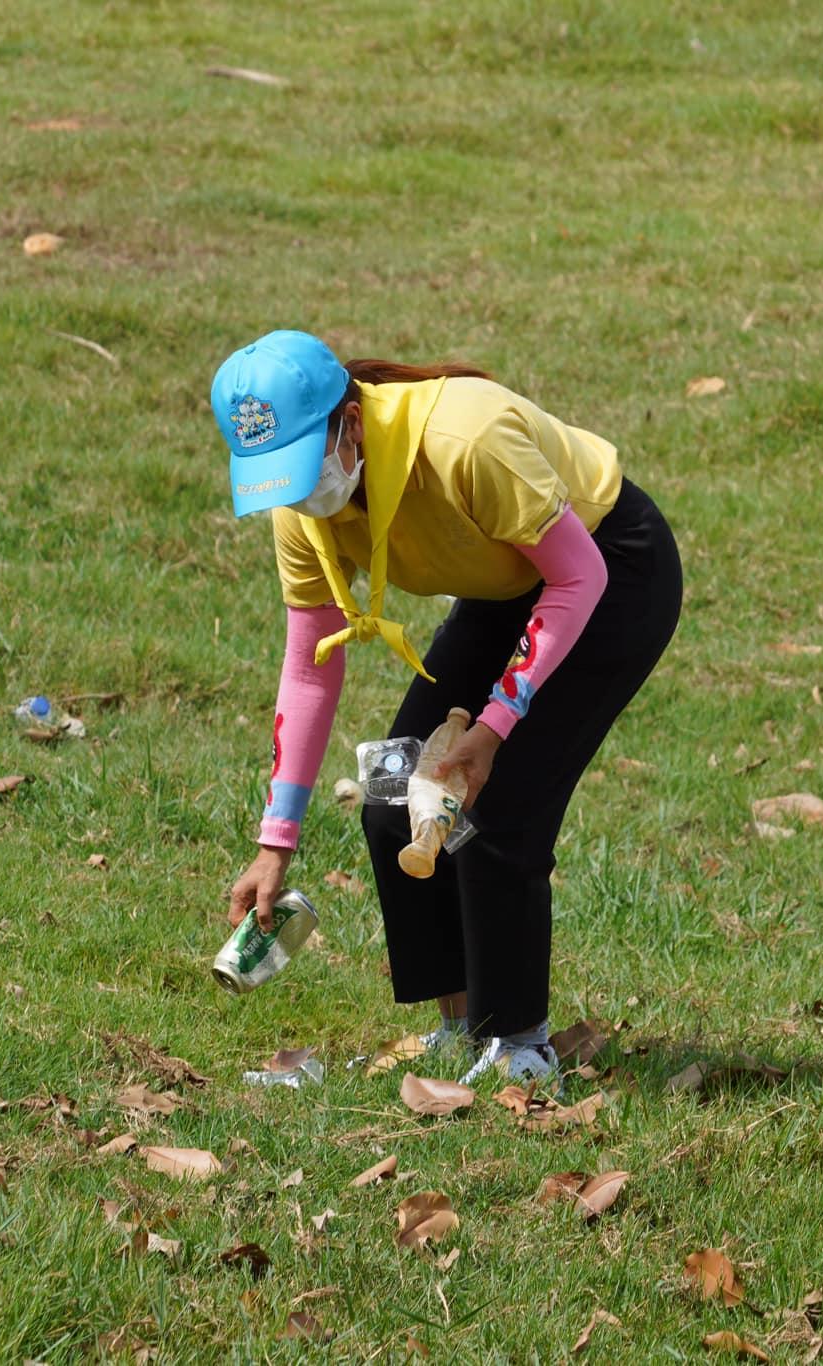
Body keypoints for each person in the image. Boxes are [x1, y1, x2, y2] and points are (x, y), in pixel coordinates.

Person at [216, 330, 681, 1084]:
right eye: (277, 476)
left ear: (350, 423)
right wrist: (277, 841)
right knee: (393, 797)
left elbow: (578, 577)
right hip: (504, 586)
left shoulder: (466, 439)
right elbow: (309, 665)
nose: (297, 493)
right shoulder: (297, 503)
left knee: (492, 806)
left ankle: (519, 1046)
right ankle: (463, 1030)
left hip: (608, 573)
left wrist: (496, 725)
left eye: (302, 464)